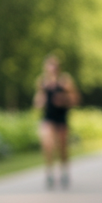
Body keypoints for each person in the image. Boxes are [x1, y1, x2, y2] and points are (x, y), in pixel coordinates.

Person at [33, 54, 80, 189]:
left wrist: (64, 99)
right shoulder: (42, 81)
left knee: (62, 147)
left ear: (58, 68)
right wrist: (38, 102)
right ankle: (49, 173)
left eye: (54, 66)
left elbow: (75, 99)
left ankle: (64, 172)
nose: (52, 69)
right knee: (47, 145)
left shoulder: (65, 81)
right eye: (49, 66)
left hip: (61, 117)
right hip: (48, 117)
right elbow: (38, 98)